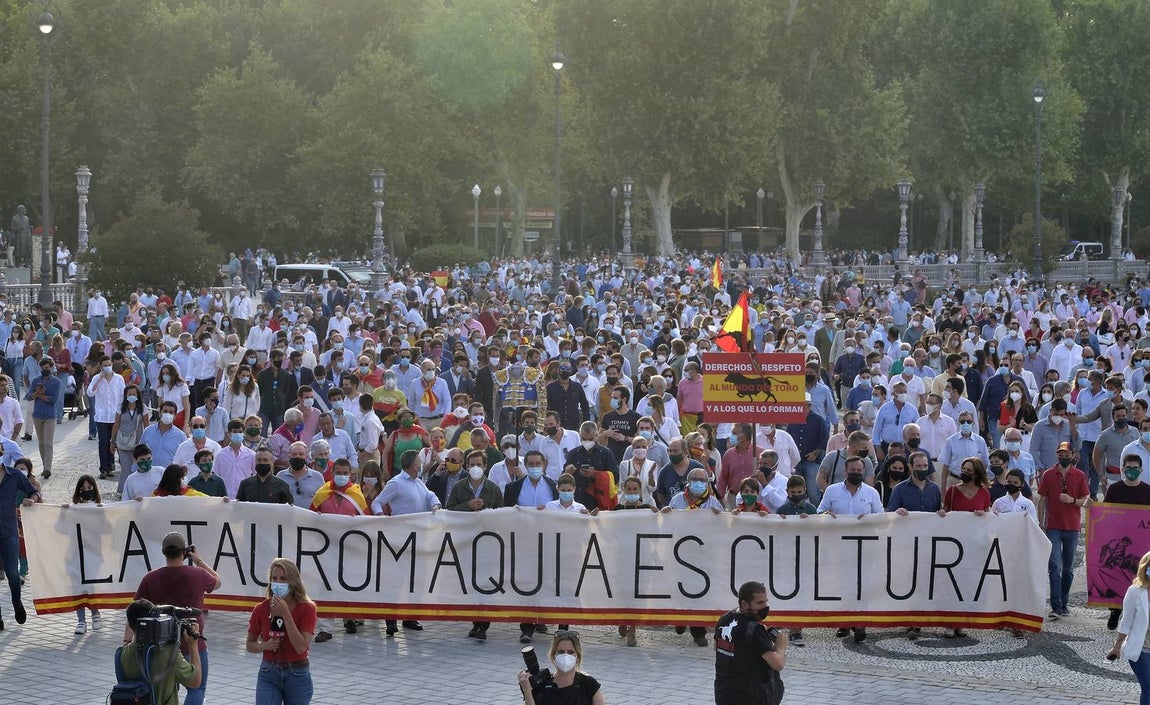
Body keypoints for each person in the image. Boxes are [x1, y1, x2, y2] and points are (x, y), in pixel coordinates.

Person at [126, 532, 220, 705]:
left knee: (168, 690)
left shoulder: (150, 578)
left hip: (160, 644)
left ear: (163, 552)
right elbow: (218, 581)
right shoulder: (198, 574)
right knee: (197, 689)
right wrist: (198, 559)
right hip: (191, 640)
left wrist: (127, 641)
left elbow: (134, 610)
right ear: (184, 552)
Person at [246, 558, 316, 705]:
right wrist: (264, 646)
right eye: (274, 578)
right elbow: (249, 644)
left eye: (283, 579)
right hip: (269, 672)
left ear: (292, 581)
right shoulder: (261, 609)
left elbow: (301, 647)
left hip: (297, 672)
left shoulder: (307, 609)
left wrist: (286, 615)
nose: (278, 582)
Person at [1037, 440, 1090, 620]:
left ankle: (1064, 602)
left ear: (1073, 455)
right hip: (1053, 526)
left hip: (1072, 526)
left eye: (1067, 455)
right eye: (1061, 454)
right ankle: (1056, 606)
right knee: (1054, 566)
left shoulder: (1080, 475)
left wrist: (1072, 500)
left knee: (1068, 568)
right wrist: (1041, 523)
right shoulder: (1048, 474)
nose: (1064, 457)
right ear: (1057, 454)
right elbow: (1043, 498)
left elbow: (1086, 500)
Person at [714, 580, 787, 705]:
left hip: (724, 694)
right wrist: (781, 647)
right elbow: (778, 664)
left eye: (766, 602)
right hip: (750, 696)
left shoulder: (725, 618)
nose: (765, 607)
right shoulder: (754, 630)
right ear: (744, 604)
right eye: (760, 603)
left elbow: (717, 647)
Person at [119, 599, 202, 705]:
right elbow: (195, 681)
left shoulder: (121, 655)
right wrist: (193, 645)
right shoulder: (168, 653)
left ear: (130, 625)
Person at [1107, 550, 1150, 705]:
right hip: (1142, 650)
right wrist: (1116, 647)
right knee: (1148, 687)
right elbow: (1126, 622)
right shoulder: (1135, 592)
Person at [516, 630, 604, 705]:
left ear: (577, 656)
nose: (566, 655)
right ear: (553, 655)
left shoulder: (588, 684)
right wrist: (527, 689)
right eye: (561, 652)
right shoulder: (543, 686)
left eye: (570, 652)